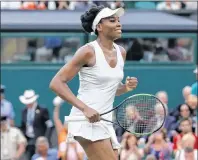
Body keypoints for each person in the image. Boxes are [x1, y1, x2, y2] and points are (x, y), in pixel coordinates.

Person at [49, 5, 138, 160]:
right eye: (112, 20)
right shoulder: (87, 51)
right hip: (85, 120)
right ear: (99, 27)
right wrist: (85, 109)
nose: (118, 23)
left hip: (105, 121)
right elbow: (56, 83)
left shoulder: (121, 52)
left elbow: (111, 89)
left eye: (118, 20)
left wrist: (126, 87)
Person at [20, 89, 53, 159]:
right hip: (28, 140)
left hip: (39, 139)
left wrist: (46, 138)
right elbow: (23, 126)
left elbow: (49, 125)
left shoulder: (42, 110)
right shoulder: (24, 111)